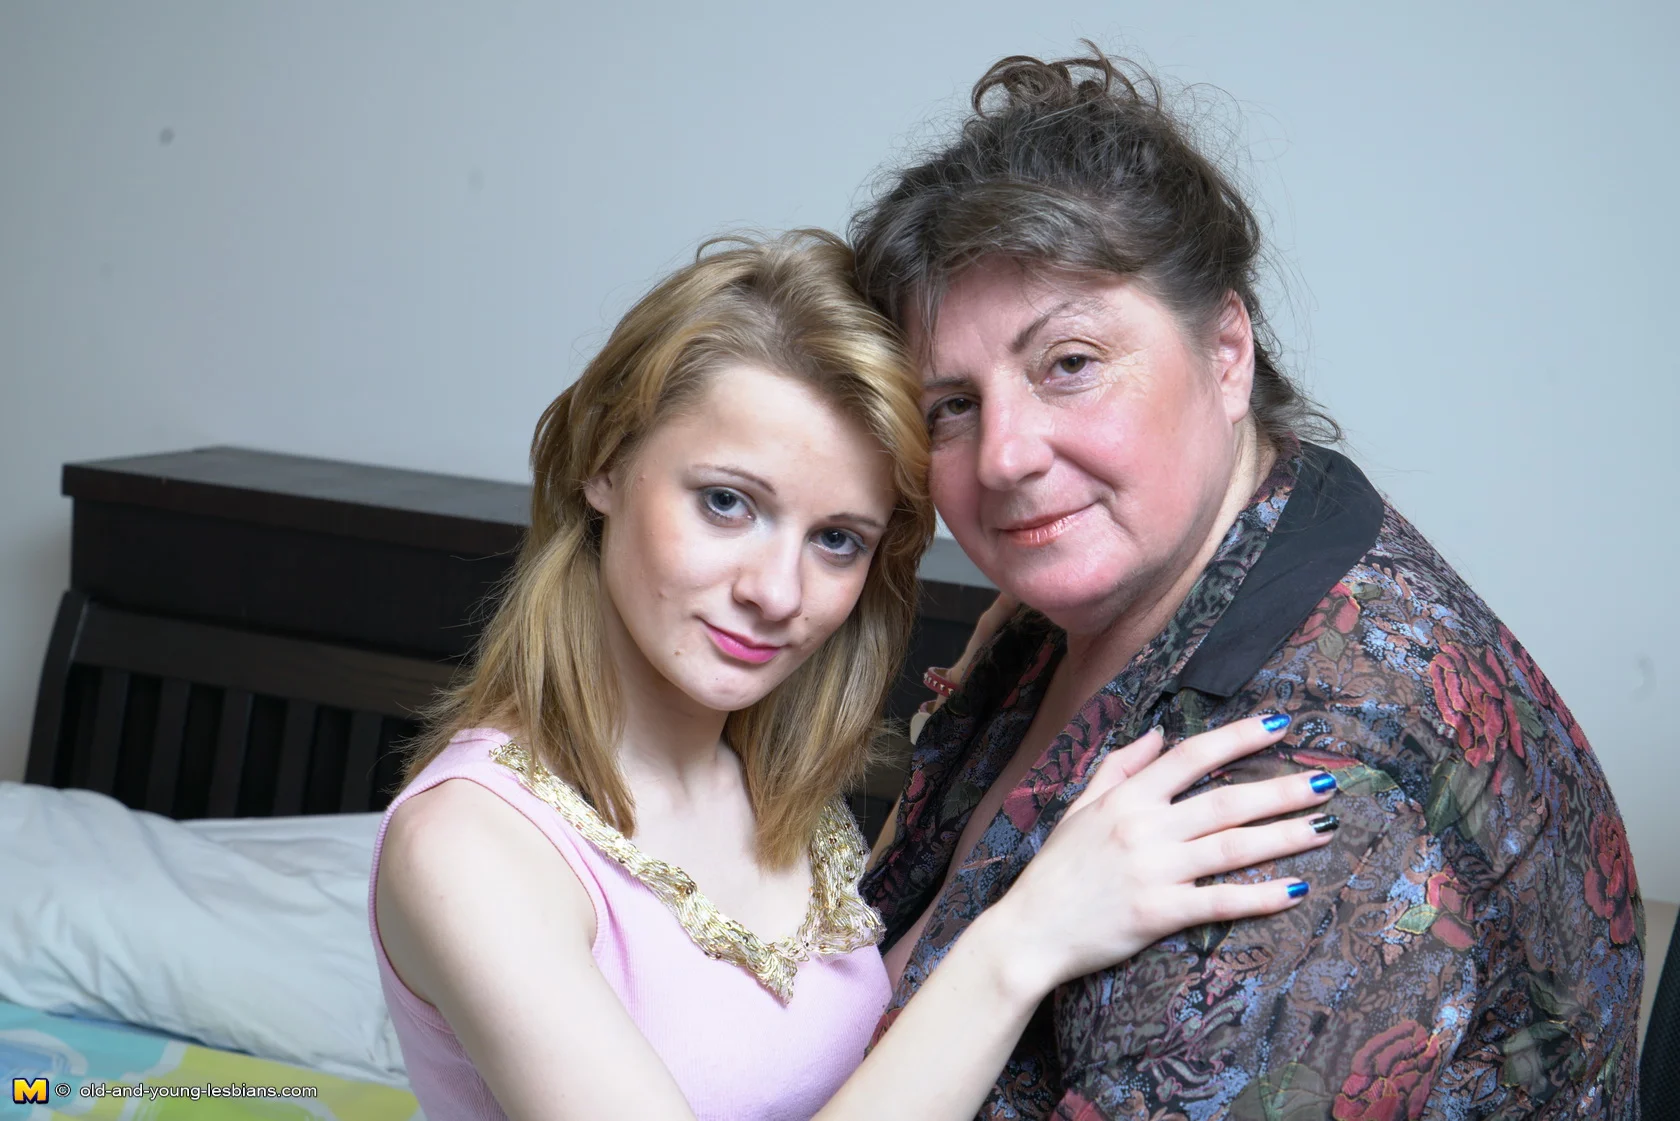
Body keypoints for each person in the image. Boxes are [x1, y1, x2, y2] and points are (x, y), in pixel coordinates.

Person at [368, 230, 1342, 1121]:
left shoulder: (768, 783)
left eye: (837, 539)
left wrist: (1043, 659)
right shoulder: (468, 846)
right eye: (726, 503)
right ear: (606, 465)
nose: (776, 591)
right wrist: (1022, 942)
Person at [850, 46, 1645, 1119]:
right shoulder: (1138, 572)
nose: (1004, 456)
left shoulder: (1311, 806)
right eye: (951, 405)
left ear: (1228, 352)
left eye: (1069, 363)